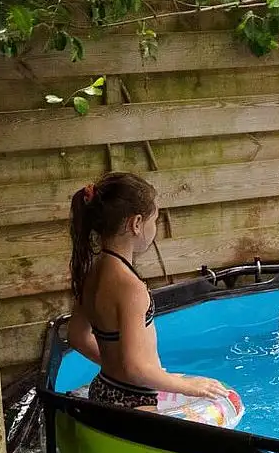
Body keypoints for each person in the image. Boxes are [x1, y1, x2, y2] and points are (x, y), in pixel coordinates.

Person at [67, 172, 229, 411]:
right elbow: (136, 369)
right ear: (136, 224)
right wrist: (187, 385)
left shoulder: (91, 272)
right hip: (133, 401)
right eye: (154, 220)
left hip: (103, 388)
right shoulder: (131, 288)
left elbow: (77, 337)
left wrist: (128, 369)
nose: (155, 228)